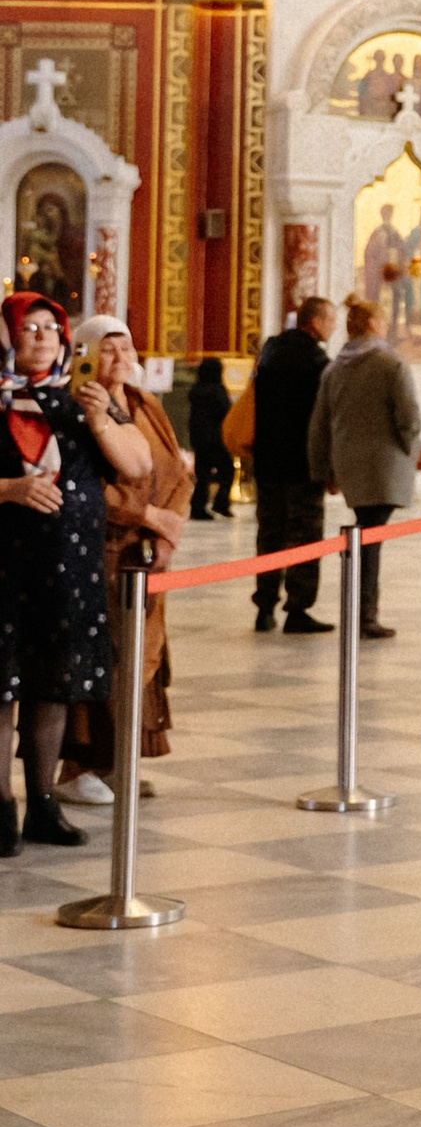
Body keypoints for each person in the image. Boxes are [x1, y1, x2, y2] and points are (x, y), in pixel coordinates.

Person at [0, 290, 154, 855]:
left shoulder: (79, 401)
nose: (40, 337)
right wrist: (11, 489)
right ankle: (1, 809)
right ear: (7, 338)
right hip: (6, 568)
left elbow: (137, 466)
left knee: (52, 690)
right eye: (28, 328)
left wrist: (100, 416)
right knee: (3, 693)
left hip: (68, 570)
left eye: (50, 328)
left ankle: (43, 806)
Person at [58, 317, 189, 801]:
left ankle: (117, 762)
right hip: (98, 549)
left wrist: (169, 529)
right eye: (106, 349)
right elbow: (82, 487)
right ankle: (77, 768)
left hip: (144, 552)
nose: (118, 358)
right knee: (101, 655)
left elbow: (177, 469)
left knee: (140, 656)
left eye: (125, 347)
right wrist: (149, 515)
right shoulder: (77, 405)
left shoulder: (143, 404)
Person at [309, 297, 421, 641]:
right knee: (370, 539)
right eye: (383, 321)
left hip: (349, 464)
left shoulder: (336, 367)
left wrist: (322, 467)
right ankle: (364, 615)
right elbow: (409, 418)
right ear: (373, 324)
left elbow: (320, 422)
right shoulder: (390, 363)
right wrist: (412, 451)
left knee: (366, 533)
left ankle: (360, 610)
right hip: (384, 465)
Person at [249, 293, 337, 631]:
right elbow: (324, 417)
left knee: (269, 533)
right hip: (302, 461)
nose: (332, 327)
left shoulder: (270, 350)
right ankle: (298, 609)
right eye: (329, 320)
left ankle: (265, 605)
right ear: (314, 322)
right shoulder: (316, 361)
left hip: (268, 459)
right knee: (304, 535)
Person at [187, 352, 233, 518]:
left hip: (199, 439)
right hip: (216, 439)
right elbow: (226, 412)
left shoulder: (195, 391)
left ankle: (197, 507)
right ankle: (221, 503)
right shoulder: (217, 390)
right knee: (227, 471)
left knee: (202, 475)